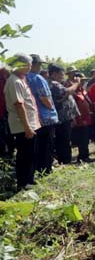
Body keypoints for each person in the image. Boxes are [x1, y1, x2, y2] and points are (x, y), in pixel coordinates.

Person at [4, 54, 41, 190]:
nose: (30, 67)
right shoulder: (15, 81)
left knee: (30, 153)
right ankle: (23, 183)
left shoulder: (20, 80)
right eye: (28, 64)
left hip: (28, 124)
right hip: (22, 126)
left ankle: (29, 180)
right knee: (25, 154)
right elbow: (19, 105)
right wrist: (27, 127)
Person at [27, 54, 58, 174]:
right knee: (46, 144)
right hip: (45, 117)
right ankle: (45, 169)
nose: (40, 67)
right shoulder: (37, 78)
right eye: (39, 64)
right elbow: (44, 97)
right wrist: (50, 106)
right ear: (34, 65)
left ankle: (38, 168)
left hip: (33, 117)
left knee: (37, 145)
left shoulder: (23, 78)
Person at [48, 64, 80, 164]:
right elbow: (66, 92)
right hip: (61, 118)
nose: (63, 75)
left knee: (64, 140)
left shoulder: (56, 83)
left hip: (63, 117)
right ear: (54, 74)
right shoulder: (53, 84)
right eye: (61, 73)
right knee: (64, 140)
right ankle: (65, 160)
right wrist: (76, 83)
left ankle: (64, 159)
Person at [69, 72, 94, 163]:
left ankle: (85, 156)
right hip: (79, 119)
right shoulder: (73, 92)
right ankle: (82, 157)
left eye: (84, 81)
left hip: (87, 118)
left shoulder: (83, 90)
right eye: (81, 81)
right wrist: (74, 119)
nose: (83, 82)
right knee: (81, 139)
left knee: (86, 138)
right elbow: (71, 106)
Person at [0, 64, 14, 158]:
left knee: (7, 134)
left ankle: (8, 153)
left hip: (5, 111)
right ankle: (6, 154)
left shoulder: (5, 80)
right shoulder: (3, 81)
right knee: (5, 134)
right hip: (3, 112)